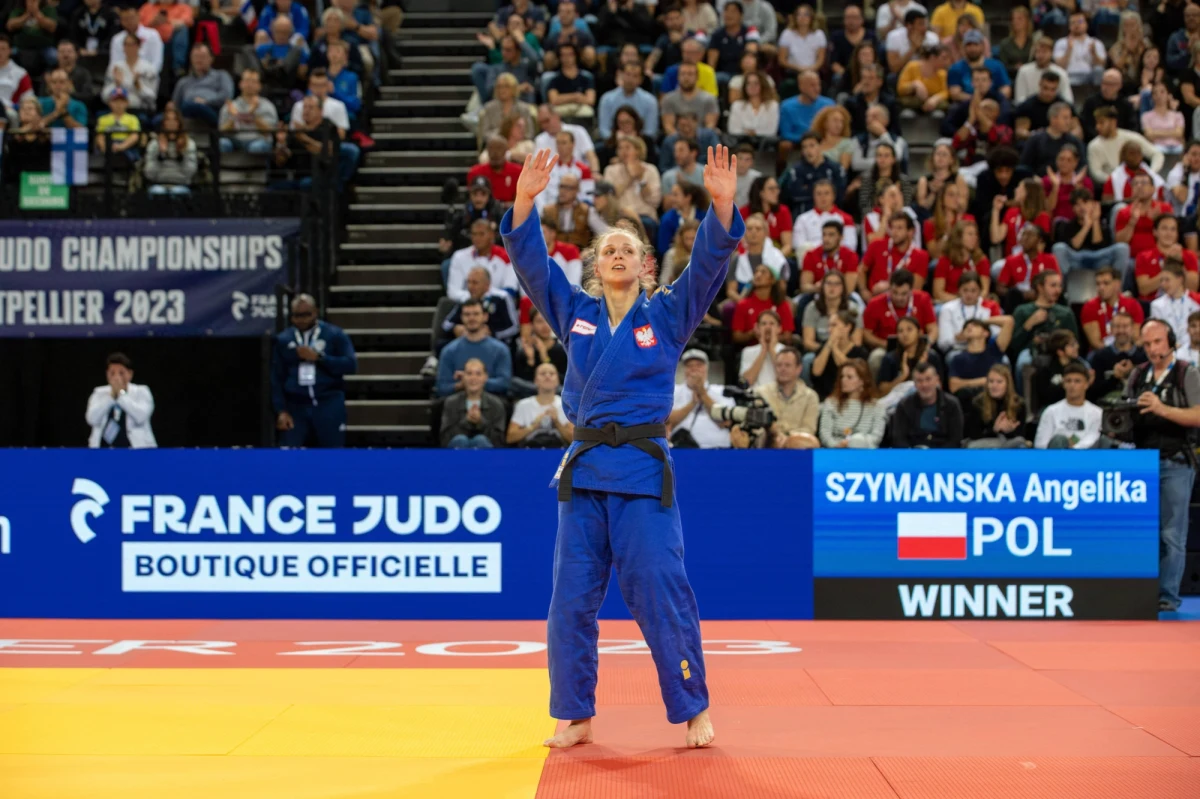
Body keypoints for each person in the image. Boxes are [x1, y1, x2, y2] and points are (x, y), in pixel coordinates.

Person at [500, 146, 745, 749]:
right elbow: (533, 267)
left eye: (627, 250)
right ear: (595, 265)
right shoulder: (575, 313)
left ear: (644, 266)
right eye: (607, 249)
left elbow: (707, 268)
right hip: (584, 474)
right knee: (570, 601)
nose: (616, 254)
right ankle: (575, 713)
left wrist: (721, 207)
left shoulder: (667, 316)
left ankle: (692, 706)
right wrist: (525, 201)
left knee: (661, 589)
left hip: (640, 471)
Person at [1124, 318, 1200, 611]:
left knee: (1171, 534)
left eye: (1157, 342)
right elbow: (1125, 413)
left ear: (1171, 342)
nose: (1152, 349)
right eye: (1147, 344)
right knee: (1142, 532)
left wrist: (1161, 409)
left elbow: (1197, 415)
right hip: (1141, 461)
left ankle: (1167, 596)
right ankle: (1140, 592)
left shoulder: (1187, 373)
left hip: (1176, 460)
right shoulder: (1138, 374)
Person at [270, 294, 357, 448]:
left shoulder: (334, 334)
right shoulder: (283, 339)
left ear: (315, 312)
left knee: (331, 453)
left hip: (328, 403)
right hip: (296, 406)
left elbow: (350, 365)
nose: (302, 320)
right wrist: (281, 410)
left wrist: (320, 358)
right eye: (297, 315)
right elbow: (276, 377)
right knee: (288, 454)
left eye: (306, 315)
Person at [730, 347, 821, 449]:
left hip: (797, 447)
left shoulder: (810, 397)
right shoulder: (761, 393)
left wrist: (786, 438)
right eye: (779, 365)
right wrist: (774, 436)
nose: (782, 369)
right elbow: (755, 426)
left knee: (810, 442)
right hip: (767, 444)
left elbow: (808, 429)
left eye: (787, 365)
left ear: (798, 369)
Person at [435, 299, 513, 397]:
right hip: (459, 401)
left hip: (492, 401)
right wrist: (461, 384)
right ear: (461, 317)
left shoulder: (501, 350)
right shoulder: (449, 351)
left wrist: (472, 380)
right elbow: (442, 387)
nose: (471, 318)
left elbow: (504, 383)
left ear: (485, 317)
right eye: (467, 314)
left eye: (476, 314)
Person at [1010, 270, 1078, 383]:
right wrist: (1029, 324)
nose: (1058, 290)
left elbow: (1075, 340)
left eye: (1059, 286)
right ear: (1040, 287)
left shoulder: (1066, 313)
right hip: (1031, 351)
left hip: (1060, 352)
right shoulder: (1022, 311)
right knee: (1022, 363)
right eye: (1053, 285)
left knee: (1085, 366)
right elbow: (1014, 345)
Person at [1052, 189, 1131, 277]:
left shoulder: (1103, 223)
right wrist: (1086, 226)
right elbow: (1074, 246)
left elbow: (1099, 245)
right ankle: (1061, 285)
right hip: (1077, 259)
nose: (1082, 207)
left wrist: (1095, 221)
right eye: (1077, 204)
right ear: (1073, 209)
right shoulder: (1067, 225)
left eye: (1085, 202)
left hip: (1100, 258)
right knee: (1058, 247)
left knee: (1122, 248)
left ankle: (1116, 284)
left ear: (1093, 204)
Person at [85, 352, 156, 448]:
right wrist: (111, 397)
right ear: (107, 374)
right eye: (112, 373)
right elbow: (91, 419)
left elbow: (141, 417)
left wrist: (120, 395)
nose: (116, 377)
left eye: (121, 373)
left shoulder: (142, 391)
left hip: (137, 449)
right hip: (102, 450)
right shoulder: (98, 392)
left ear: (130, 374)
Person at [667, 349, 734, 448]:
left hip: (718, 450)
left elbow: (726, 422)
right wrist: (692, 403)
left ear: (706, 368)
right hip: (681, 449)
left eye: (699, 365)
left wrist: (702, 393)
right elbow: (666, 422)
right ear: (684, 369)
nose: (694, 369)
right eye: (689, 366)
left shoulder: (721, 391)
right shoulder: (673, 391)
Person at [891, 361, 963, 447]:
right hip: (913, 451)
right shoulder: (904, 405)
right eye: (919, 381)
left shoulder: (952, 404)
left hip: (943, 452)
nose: (924, 385)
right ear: (914, 383)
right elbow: (899, 438)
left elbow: (955, 439)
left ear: (937, 380)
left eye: (928, 379)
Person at [818, 358, 885, 448]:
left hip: (864, 451)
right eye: (842, 376)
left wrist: (856, 443)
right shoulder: (831, 403)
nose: (843, 380)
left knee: (857, 440)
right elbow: (825, 434)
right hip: (835, 451)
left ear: (862, 381)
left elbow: (876, 437)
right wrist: (837, 445)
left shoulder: (877, 407)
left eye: (849, 377)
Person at [441, 358, 507, 449]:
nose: (473, 378)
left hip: (487, 454)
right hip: (458, 451)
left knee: (480, 441)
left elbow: (499, 441)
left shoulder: (496, 404)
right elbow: (445, 439)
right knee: (460, 440)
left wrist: (481, 422)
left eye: (478, 374)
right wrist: (466, 421)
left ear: (485, 377)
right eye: (469, 373)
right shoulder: (451, 403)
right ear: (463, 377)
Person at [1034, 362, 1102, 449]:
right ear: (1063, 384)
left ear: (1086, 384)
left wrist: (1071, 450)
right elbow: (1040, 444)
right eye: (1068, 381)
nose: (1072, 385)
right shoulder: (1051, 411)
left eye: (1077, 381)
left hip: (1085, 455)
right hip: (1055, 454)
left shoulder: (1097, 413)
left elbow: (1092, 439)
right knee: (1059, 440)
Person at [860, 212, 930, 297]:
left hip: (903, 300)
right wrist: (863, 291)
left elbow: (916, 289)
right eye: (892, 227)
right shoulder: (876, 245)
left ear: (910, 232)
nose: (894, 232)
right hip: (874, 299)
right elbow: (861, 270)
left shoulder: (921, 256)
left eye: (899, 228)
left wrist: (888, 286)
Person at [507, 362, 575, 447]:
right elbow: (510, 438)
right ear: (535, 380)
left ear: (558, 380)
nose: (547, 376)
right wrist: (533, 426)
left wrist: (557, 422)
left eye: (552, 373)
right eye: (543, 374)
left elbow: (574, 440)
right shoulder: (523, 405)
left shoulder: (566, 405)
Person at [1134, 216, 1199, 300]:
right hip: (1152, 303)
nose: (1169, 233)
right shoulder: (1143, 256)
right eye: (1164, 228)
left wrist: (1179, 264)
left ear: (1177, 233)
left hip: (1181, 302)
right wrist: (1169, 264)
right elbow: (1144, 290)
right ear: (1155, 232)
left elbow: (1192, 288)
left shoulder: (1189, 255)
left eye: (1173, 229)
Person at [1088, 310, 1147, 403]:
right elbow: (1092, 393)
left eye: (1125, 326)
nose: (1121, 330)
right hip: (1106, 407)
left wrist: (1134, 372)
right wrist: (1114, 377)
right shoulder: (1099, 356)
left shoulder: (1144, 356)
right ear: (1111, 329)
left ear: (1132, 329)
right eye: (1117, 326)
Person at [937, 272, 1002, 354]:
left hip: (985, 349)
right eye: (965, 290)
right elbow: (942, 343)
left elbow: (997, 335)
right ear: (959, 290)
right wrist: (957, 338)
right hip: (958, 350)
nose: (969, 294)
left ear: (980, 291)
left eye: (973, 290)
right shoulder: (947, 309)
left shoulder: (991, 307)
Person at [1117, 173, 1177, 261]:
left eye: (1144, 183)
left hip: (1160, 258)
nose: (1139, 186)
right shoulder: (1123, 212)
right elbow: (1120, 242)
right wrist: (1132, 222)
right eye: (1135, 183)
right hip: (1132, 259)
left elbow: (1172, 238)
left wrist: (1157, 221)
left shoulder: (1164, 208)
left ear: (1153, 189)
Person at [964, 364, 1028, 447]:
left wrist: (1009, 431)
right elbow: (972, 435)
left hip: (1009, 443)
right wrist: (994, 430)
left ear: (1008, 384)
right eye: (991, 381)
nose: (994, 385)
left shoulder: (1019, 404)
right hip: (985, 444)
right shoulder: (978, 403)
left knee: (1020, 443)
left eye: (999, 382)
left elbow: (1021, 435)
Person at [219, 69, 278, 154]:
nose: (250, 84)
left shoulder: (267, 106)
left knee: (257, 147)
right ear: (240, 84)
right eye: (247, 81)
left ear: (259, 86)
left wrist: (253, 115)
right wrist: (234, 117)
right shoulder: (231, 106)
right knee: (222, 143)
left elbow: (270, 132)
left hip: (258, 140)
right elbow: (222, 131)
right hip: (235, 140)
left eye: (253, 81)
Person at [931, 220, 989, 303]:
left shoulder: (981, 260)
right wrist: (961, 302)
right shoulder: (945, 260)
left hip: (975, 303)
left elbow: (984, 291)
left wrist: (970, 302)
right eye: (970, 234)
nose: (974, 237)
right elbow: (938, 293)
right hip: (949, 302)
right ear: (958, 237)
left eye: (976, 234)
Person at [1150, 260, 1200, 351]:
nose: (1163, 284)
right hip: (1168, 350)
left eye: (1167, 280)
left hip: (1193, 349)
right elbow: (1158, 332)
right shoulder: (1156, 305)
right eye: (1161, 280)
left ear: (1180, 279)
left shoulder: (1195, 302)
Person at [801, 220, 859, 295]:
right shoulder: (811, 255)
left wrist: (831, 288)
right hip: (817, 293)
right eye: (824, 235)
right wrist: (817, 288)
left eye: (831, 235)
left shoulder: (850, 256)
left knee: (855, 299)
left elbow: (849, 288)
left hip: (843, 296)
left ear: (841, 237)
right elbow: (804, 286)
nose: (826, 239)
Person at [1053, 10, 1106, 87]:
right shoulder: (1061, 42)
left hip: (1089, 75)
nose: (1077, 24)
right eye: (1073, 22)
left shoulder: (1096, 42)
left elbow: (1101, 64)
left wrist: (1094, 53)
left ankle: (1097, 93)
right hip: (1069, 75)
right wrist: (1068, 50)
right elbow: (1060, 66)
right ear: (1069, 26)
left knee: (1099, 70)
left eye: (1080, 21)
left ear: (1086, 24)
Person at [739, 309, 785, 389]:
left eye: (772, 324)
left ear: (779, 328)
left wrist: (771, 349)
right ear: (757, 328)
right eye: (764, 324)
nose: (768, 327)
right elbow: (747, 382)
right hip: (754, 394)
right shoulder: (747, 351)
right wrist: (763, 351)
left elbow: (786, 379)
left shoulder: (787, 351)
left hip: (778, 394)